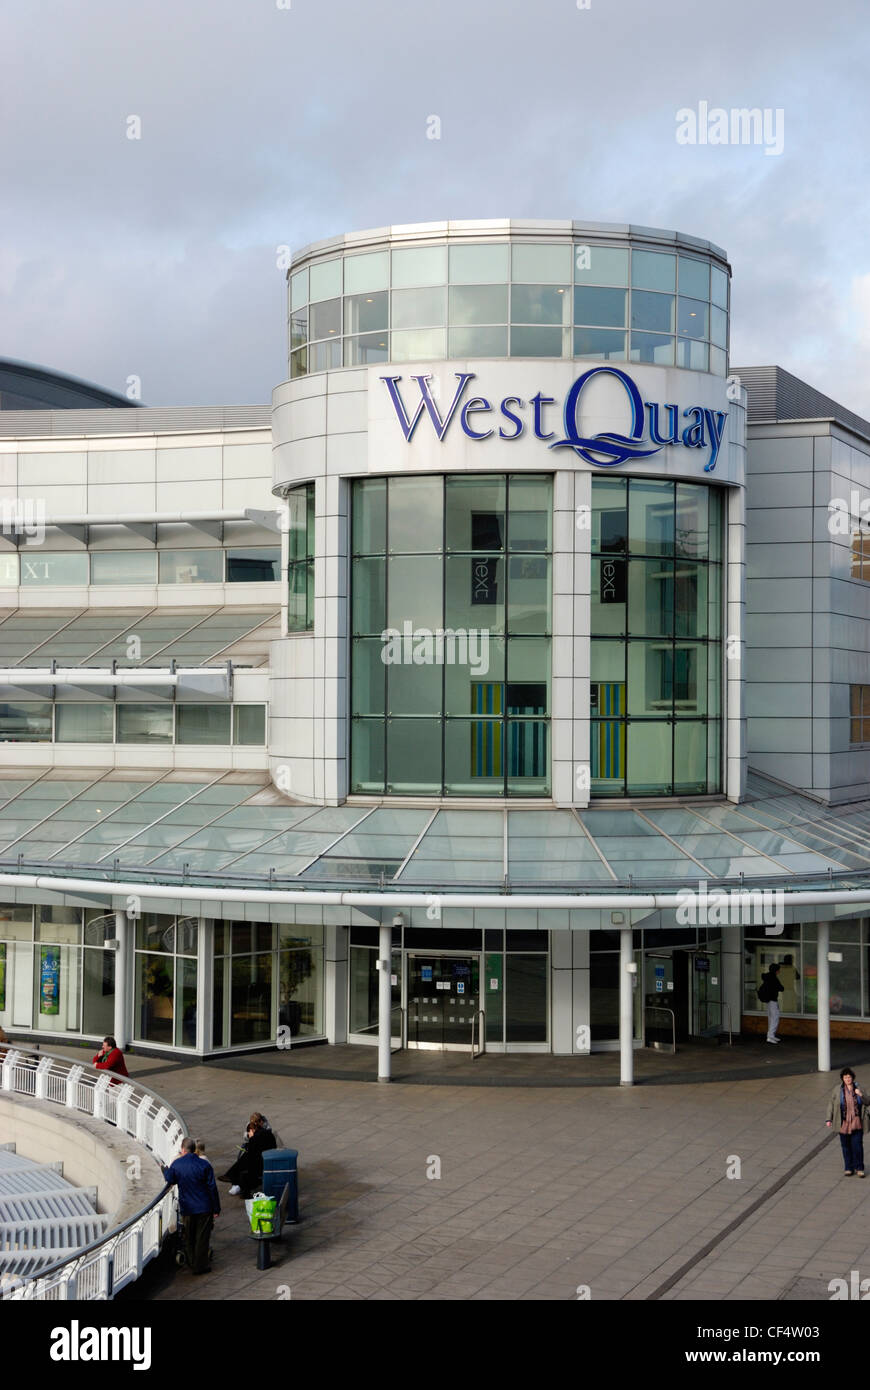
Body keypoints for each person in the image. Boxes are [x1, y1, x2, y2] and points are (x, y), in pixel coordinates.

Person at [163, 1136, 221, 1274]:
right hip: (204, 1206)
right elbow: (212, 1188)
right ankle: (200, 1266)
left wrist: (165, 1170)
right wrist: (216, 1208)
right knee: (202, 1237)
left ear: (183, 1150)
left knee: (189, 1236)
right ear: (194, 1149)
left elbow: (171, 1179)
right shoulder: (205, 1165)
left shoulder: (177, 1164)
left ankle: (191, 1263)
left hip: (187, 1207)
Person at [219, 1112, 277, 1198]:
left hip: (258, 1163)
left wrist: (251, 1139)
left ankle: (233, 1178)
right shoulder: (268, 1133)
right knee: (245, 1160)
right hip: (267, 1158)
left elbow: (251, 1150)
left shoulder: (255, 1137)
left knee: (244, 1160)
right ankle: (233, 1177)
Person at [825, 1067, 869, 1178]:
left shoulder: (859, 1088)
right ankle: (848, 1167)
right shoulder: (837, 1089)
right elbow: (831, 1104)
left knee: (857, 1146)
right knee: (846, 1146)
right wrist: (828, 1119)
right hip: (843, 1123)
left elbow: (868, 1101)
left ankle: (859, 1168)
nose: (848, 1079)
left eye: (849, 1077)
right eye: (845, 1077)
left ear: (852, 1078)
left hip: (857, 1122)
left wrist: (861, 1095)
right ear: (842, 1079)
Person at [758, 963, 784, 1043]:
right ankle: (770, 1036)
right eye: (778, 970)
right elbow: (781, 988)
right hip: (772, 1000)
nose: (779, 971)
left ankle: (770, 1035)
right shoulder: (773, 978)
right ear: (776, 970)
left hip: (768, 1000)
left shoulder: (767, 977)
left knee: (771, 1017)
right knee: (775, 1017)